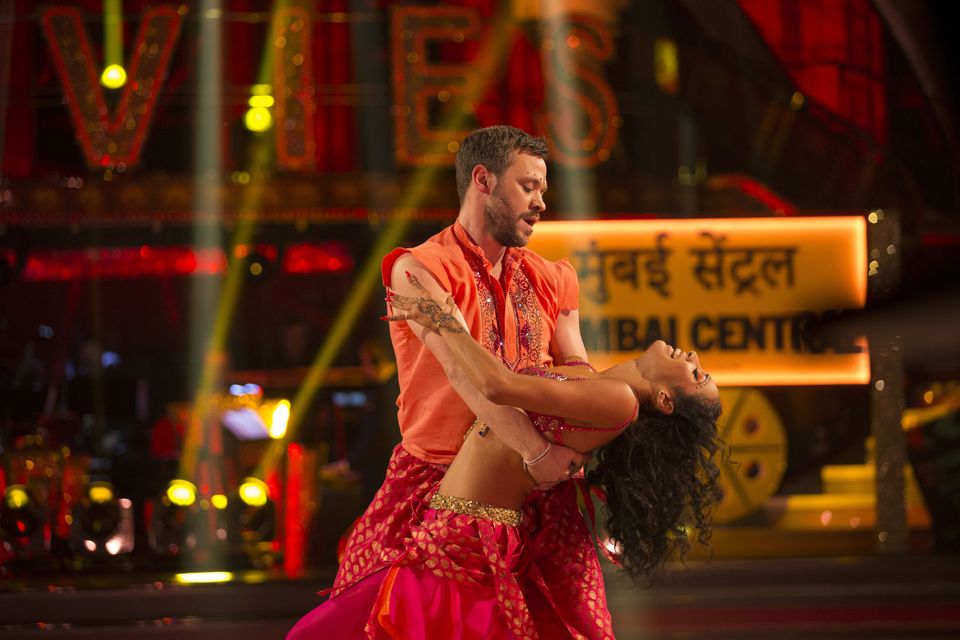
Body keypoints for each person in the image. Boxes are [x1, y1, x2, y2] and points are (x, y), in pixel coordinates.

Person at [287, 125, 596, 639]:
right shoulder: (417, 270)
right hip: (435, 491)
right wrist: (537, 454)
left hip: (540, 499)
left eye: (543, 188)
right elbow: (464, 373)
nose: (542, 201)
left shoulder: (554, 277)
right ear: (483, 180)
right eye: (529, 186)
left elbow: (578, 374)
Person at [364, 277, 723, 638]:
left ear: (665, 401)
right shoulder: (597, 380)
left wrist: (442, 319)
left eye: (697, 375)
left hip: (469, 538)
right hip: (451, 525)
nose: (693, 357)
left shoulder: (620, 403)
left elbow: (497, 386)